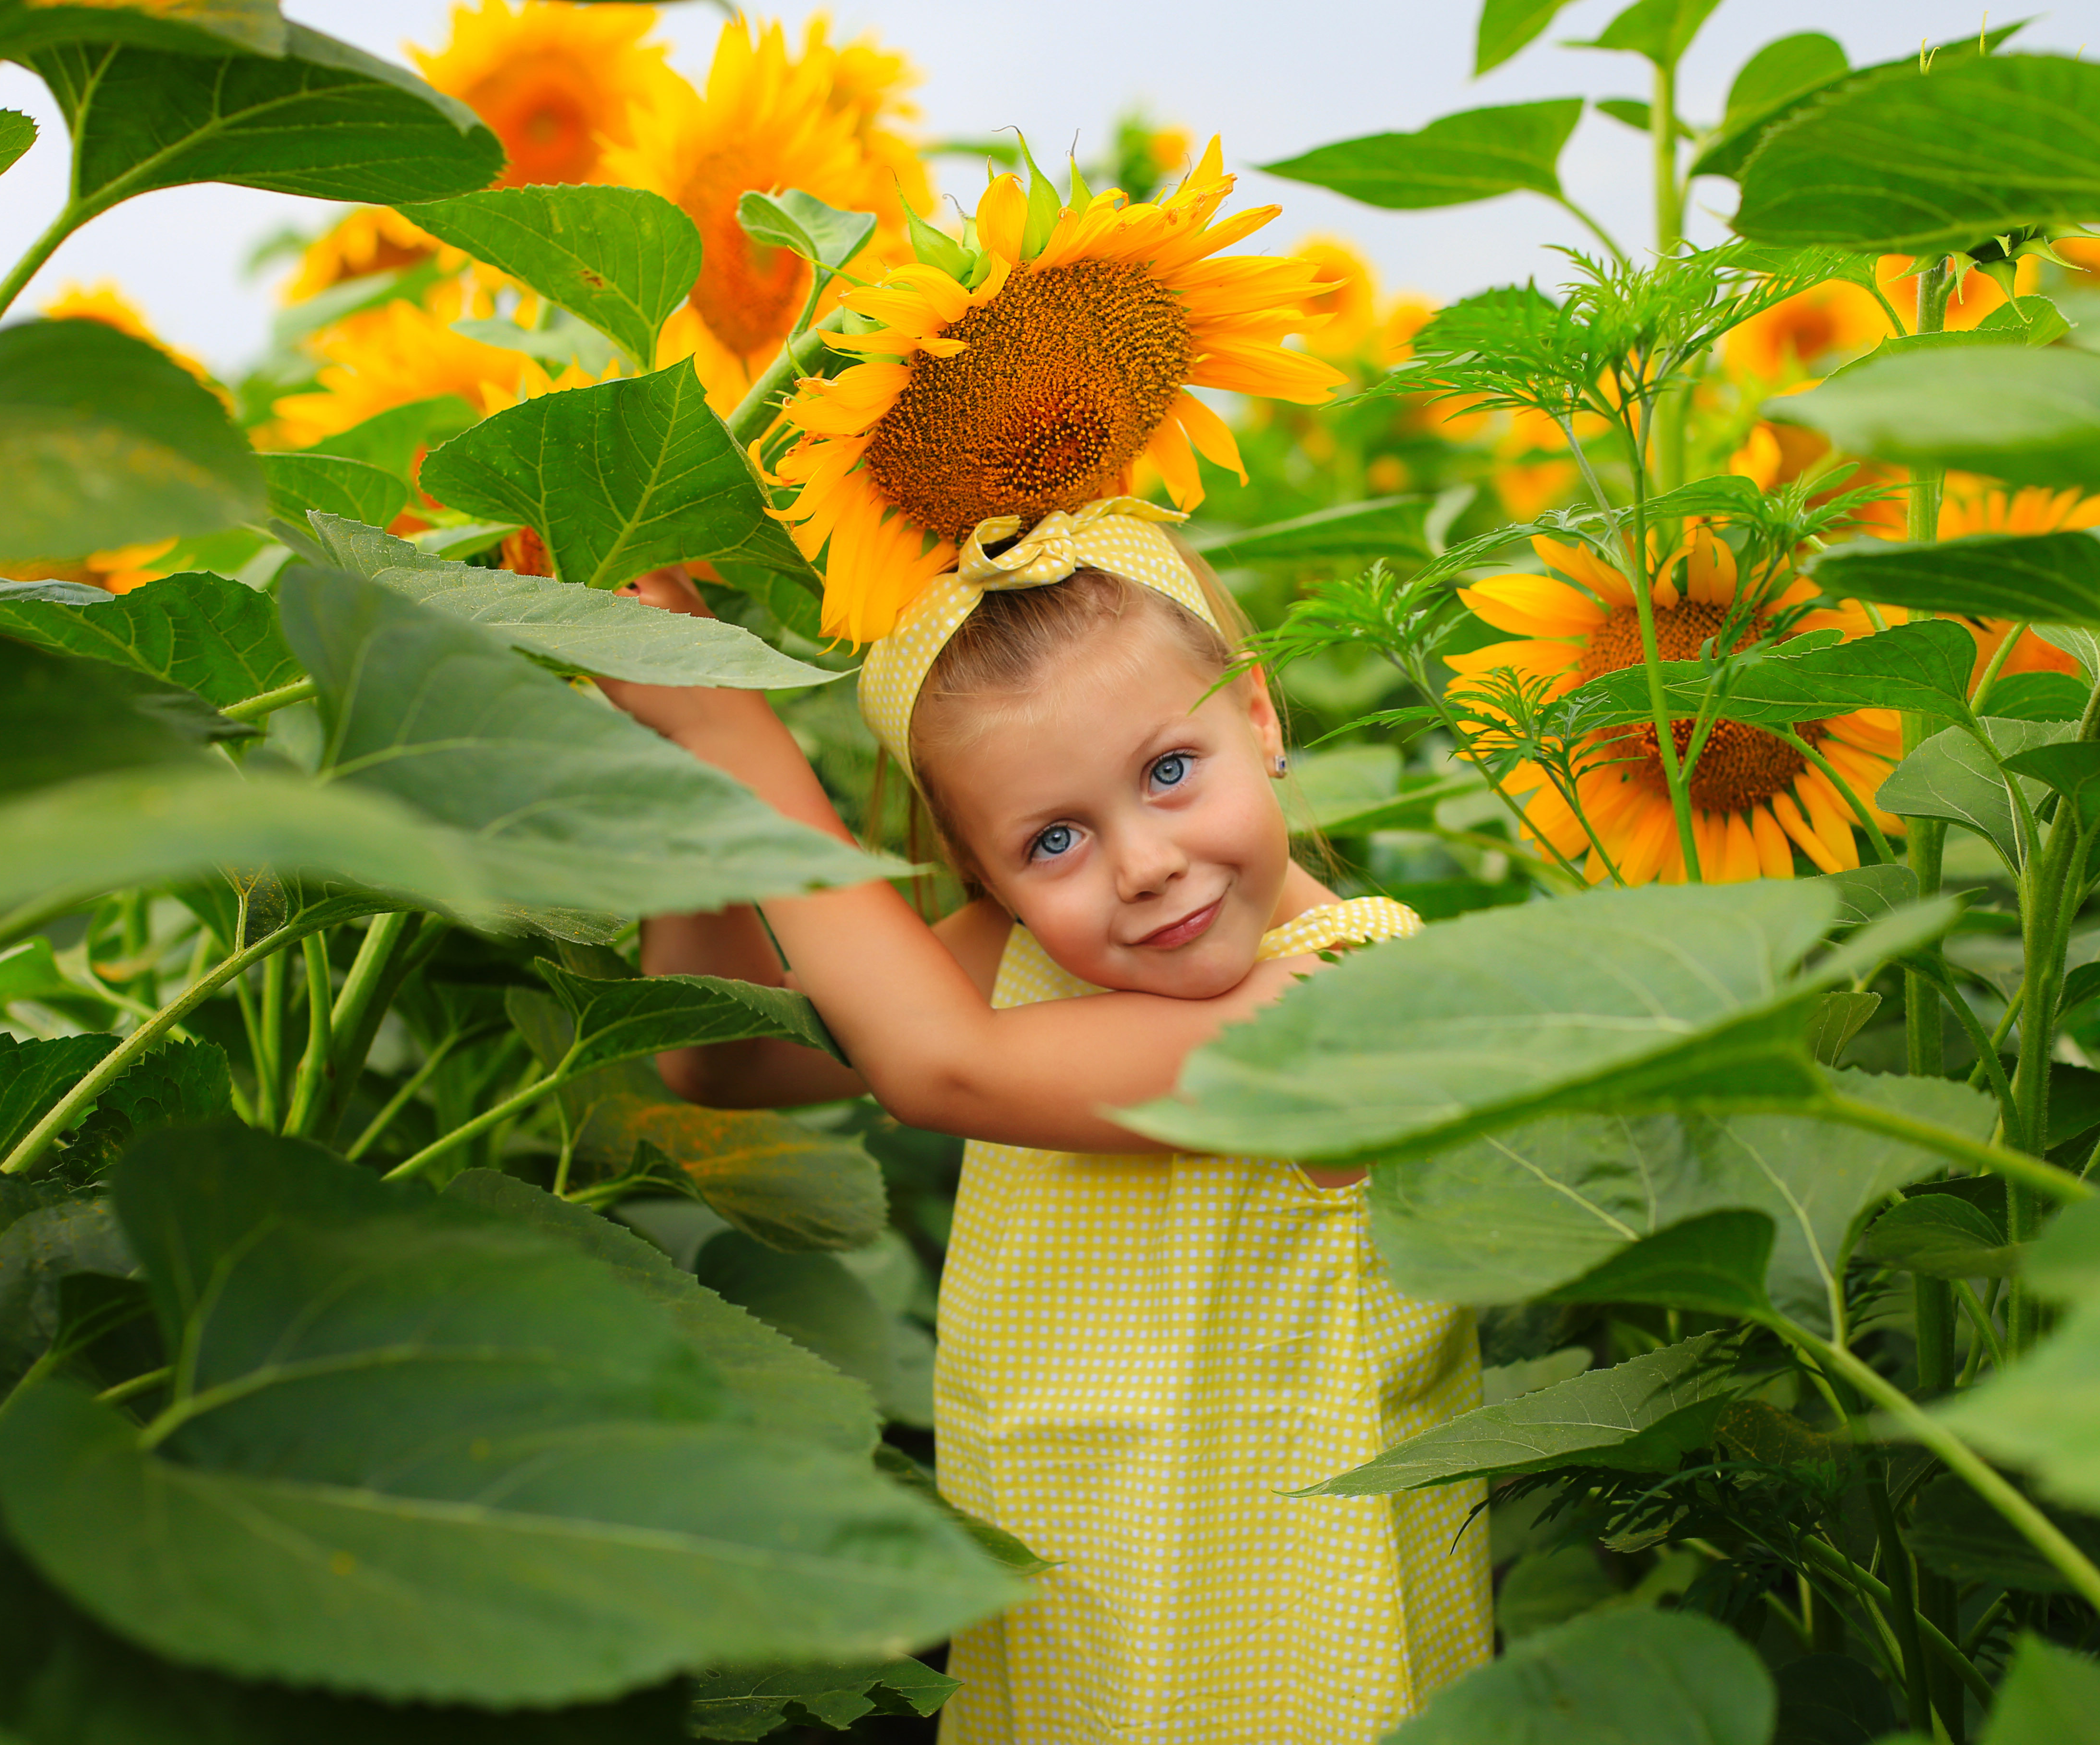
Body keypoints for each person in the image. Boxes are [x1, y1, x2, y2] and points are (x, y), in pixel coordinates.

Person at [600, 149, 1491, 1745]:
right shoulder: (1042, 961)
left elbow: (937, 1069)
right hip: (1088, 1614)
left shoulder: (1353, 991)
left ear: (1264, 715)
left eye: (1170, 771)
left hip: (1296, 1644)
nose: (1143, 869)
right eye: (1054, 840)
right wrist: (683, 770)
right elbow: (717, 1051)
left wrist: (747, 748)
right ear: (983, 873)